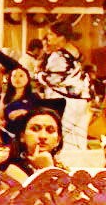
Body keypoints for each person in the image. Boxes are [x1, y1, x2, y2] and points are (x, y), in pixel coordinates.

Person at [36, 20, 92, 151]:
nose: (47, 37)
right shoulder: (75, 52)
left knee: (65, 135)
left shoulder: (57, 56)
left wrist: (38, 74)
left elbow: (52, 79)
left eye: (50, 34)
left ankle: (65, 166)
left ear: (60, 37)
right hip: (81, 98)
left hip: (65, 99)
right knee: (79, 135)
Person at [0, 107, 64, 179]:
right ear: (22, 136)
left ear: (58, 140)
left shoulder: (62, 168)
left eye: (50, 130)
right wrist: (47, 170)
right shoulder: (12, 170)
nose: (43, 136)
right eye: (35, 129)